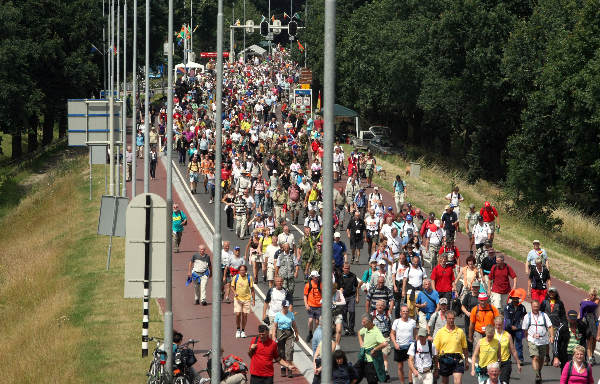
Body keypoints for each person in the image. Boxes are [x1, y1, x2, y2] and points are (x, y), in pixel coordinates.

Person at [522, 300, 554, 384]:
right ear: (531, 307)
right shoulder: (527, 316)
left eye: (537, 306)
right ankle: (537, 375)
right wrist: (528, 339)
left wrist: (551, 336)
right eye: (534, 306)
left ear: (539, 307)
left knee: (541, 358)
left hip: (543, 340)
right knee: (535, 357)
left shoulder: (544, 315)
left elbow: (550, 326)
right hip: (532, 340)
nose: (535, 308)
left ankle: (539, 371)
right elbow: (525, 330)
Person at [433, 310, 469, 384]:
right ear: (446, 319)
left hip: (457, 358)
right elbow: (435, 350)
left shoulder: (460, 331)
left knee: (458, 381)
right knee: (445, 382)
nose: (451, 320)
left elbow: (465, 348)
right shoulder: (440, 332)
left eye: (453, 318)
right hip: (444, 358)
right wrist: (436, 365)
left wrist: (467, 361)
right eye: (450, 318)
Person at [356, 314, 389, 384]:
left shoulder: (376, 331)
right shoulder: (366, 328)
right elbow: (359, 332)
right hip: (363, 358)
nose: (362, 324)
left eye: (364, 322)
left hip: (371, 361)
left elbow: (385, 343)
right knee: (355, 376)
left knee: (372, 381)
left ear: (370, 322)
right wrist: (361, 343)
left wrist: (375, 349)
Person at [271, 300, 299, 378]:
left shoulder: (291, 314)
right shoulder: (278, 315)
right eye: (284, 306)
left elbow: (294, 325)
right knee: (281, 351)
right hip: (280, 333)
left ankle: (289, 368)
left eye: (286, 306)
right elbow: (275, 326)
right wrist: (273, 336)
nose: (285, 308)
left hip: (289, 333)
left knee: (289, 351)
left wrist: (297, 335)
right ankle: (283, 367)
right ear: (282, 306)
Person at [391, 304, 417, 384]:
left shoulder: (412, 322)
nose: (405, 313)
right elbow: (392, 334)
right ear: (400, 313)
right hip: (399, 346)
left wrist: (416, 344)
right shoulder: (396, 322)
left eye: (406, 311)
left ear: (409, 312)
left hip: (410, 346)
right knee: (400, 367)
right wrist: (395, 344)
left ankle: (410, 382)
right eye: (403, 311)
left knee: (411, 366)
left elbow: (415, 334)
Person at [493, 315, 522, 383]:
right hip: (493, 362)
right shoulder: (492, 334)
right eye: (496, 325)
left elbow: (513, 350)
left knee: (504, 381)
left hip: (505, 362)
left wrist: (518, 363)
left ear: (503, 325)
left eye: (500, 325)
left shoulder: (508, 335)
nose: (498, 327)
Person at [372, 300, 393, 381]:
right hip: (375, 339)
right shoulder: (372, 315)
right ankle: (377, 373)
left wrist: (391, 336)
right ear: (376, 306)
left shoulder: (388, 315)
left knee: (384, 355)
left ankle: (385, 372)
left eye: (382, 305)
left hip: (385, 338)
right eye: (378, 305)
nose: (380, 307)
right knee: (376, 357)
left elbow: (391, 327)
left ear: (384, 307)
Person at [232, 265, 255, 339]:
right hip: (238, 299)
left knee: (245, 315)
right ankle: (238, 329)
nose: (242, 271)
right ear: (239, 271)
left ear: (246, 271)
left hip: (247, 299)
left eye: (243, 270)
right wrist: (235, 292)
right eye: (241, 270)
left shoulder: (249, 278)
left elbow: (252, 289)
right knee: (238, 314)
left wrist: (253, 300)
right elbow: (232, 286)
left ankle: (243, 330)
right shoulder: (236, 277)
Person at [503, 293, 526, 363]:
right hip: (509, 329)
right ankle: (507, 359)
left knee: (519, 344)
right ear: (512, 299)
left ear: (518, 299)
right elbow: (506, 318)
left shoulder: (522, 307)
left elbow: (524, 318)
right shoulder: (507, 307)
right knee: (508, 344)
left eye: (516, 298)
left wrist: (519, 326)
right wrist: (511, 326)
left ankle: (520, 359)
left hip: (518, 328)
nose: (515, 299)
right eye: (514, 298)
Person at [461, 280, 482, 354]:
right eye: (474, 287)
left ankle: (478, 349)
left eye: (477, 287)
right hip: (469, 318)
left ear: (479, 288)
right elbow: (462, 306)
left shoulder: (481, 296)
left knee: (478, 333)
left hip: (479, 318)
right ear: (471, 288)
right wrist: (467, 313)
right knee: (468, 333)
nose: (475, 289)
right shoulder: (468, 296)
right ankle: (469, 350)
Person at [579, 289, 598, 366]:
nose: (593, 296)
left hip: (593, 320)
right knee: (589, 339)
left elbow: (593, 305)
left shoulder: (597, 300)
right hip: (586, 321)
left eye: (594, 295)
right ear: (589, 294)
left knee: (594, 339)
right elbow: (581, 308)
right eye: (591, 295)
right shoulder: (586, 300)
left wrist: (585, 302)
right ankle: (589, 357)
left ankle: (591, 354)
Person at [341, 262, 360, 336]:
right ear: (343, 268)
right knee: (344, 313)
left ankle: (351, 328)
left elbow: (356, 287)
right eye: (345, 268)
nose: (347, 269)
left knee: (352, 312)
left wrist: (357, 296)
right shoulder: (340, 276)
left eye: (348, 268)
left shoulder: (353, 276)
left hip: (351, 296)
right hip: (343, 297)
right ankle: (346, 328)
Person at [304, 270, 323, 342]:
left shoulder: (320, 284)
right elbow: (305, 295)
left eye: (317, 277)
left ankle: (315, 334)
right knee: (310, 320)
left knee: (317, 322)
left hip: (319, 306)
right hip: (311, 305)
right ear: (312, 277)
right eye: (315, 277)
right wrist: (306, 304)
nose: (317, 278)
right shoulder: (308, 285)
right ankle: (310, 333)